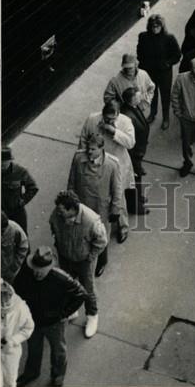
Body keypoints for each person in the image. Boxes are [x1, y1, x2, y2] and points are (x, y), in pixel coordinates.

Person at [14, 246, 88, 385]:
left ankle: (58, 376)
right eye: (35, 269)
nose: (37, 273)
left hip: (54, 323)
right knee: (33, 348)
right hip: (32, 320)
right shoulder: (26, 274)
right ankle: (31, 373)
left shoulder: (60, 278)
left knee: (58, 351)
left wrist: (64, 313)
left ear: (49, 267)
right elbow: (17, 291)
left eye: (41, 270)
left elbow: (81, 294)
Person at [48, 190, 108, 340]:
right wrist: (58, 244)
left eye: (62, 211)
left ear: (72, 209)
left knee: (88, 289)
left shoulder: (91, 221)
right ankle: (72, 309)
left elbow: (101, 242)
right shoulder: (57, 215)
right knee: (66, 284)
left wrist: (90, 257)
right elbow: (53, 226)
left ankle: (92, 315)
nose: (58, 213)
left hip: (83, 261)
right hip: (65, 256)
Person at [68, 133, 125, 276]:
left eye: (93, 149)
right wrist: (70, 200)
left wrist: (115, 209)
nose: (89, 152)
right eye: (88, 148)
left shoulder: (112, 164)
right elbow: (72, 181)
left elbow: (117, 189)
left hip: (101, 207)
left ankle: (102, 261)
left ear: (101, 148)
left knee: (101, 234)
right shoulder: (78, 158)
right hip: (82, 205)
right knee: (82, 232)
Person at [79, 100, 135, 240]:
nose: (109, 121)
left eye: (113, 119)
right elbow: (83, 139)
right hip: (96, 165)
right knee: (99, 196)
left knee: (118, 197)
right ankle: (98, 226)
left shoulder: (125, 122)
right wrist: (86, 158)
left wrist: (115, 132)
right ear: (102, 114)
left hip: (117, 165)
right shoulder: (92, 120)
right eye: (107, 119)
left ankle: (123, 226)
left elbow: (130, 143)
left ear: (118, 114)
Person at [136, 13, 181, 130]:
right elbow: (139, 53)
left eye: (158, 26)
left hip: (164, 72)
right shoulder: (143, 37)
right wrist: (142, 67)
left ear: (162, 26)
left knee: (165, 95)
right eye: (153, 26)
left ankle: (166, 117)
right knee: (152, 94)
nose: (155, 28)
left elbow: (177, 55)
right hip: (150, 72)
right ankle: (153, 113)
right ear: (149, 26)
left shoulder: (169, 38)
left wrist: (167, 63)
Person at [120, 87, 151, 215]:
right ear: (131, 100)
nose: (140, 98)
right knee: (134, 180)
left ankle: (138, 199)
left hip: (138, 152)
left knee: (137, 179)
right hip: (133, 155)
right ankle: (135, 206)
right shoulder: (127, 116)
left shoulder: (133, 107)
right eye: (138, 97)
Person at [0, 280, 34, 387]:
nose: (4, 304)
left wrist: (13, 340)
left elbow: (28, 328)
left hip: (11, 352)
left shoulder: (20, 307)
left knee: (10, 381)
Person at [103, 52, 155, 119]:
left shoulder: (143, 74)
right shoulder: (115, 81)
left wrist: (147, 100)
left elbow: (151, 88)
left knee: (143, 127)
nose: (128, 70)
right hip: (126, 116)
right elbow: (108, 98)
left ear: (136, 65)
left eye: (130, 68)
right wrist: (120, 107)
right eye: (125, 67)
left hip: (143, 112)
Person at [1, 147, 39, 234]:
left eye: (3, 164)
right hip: (0, 212)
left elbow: (33, 188)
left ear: (10, 161)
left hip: (16, 212)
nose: (1, 167)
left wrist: (22, 201)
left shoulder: (20, 172)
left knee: (21, 236)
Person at [2, 210, 29, 284]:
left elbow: (24, 246)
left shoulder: (14, 228)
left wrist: (14, 267)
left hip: (8, 273)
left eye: (4, 230)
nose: (3, 232)